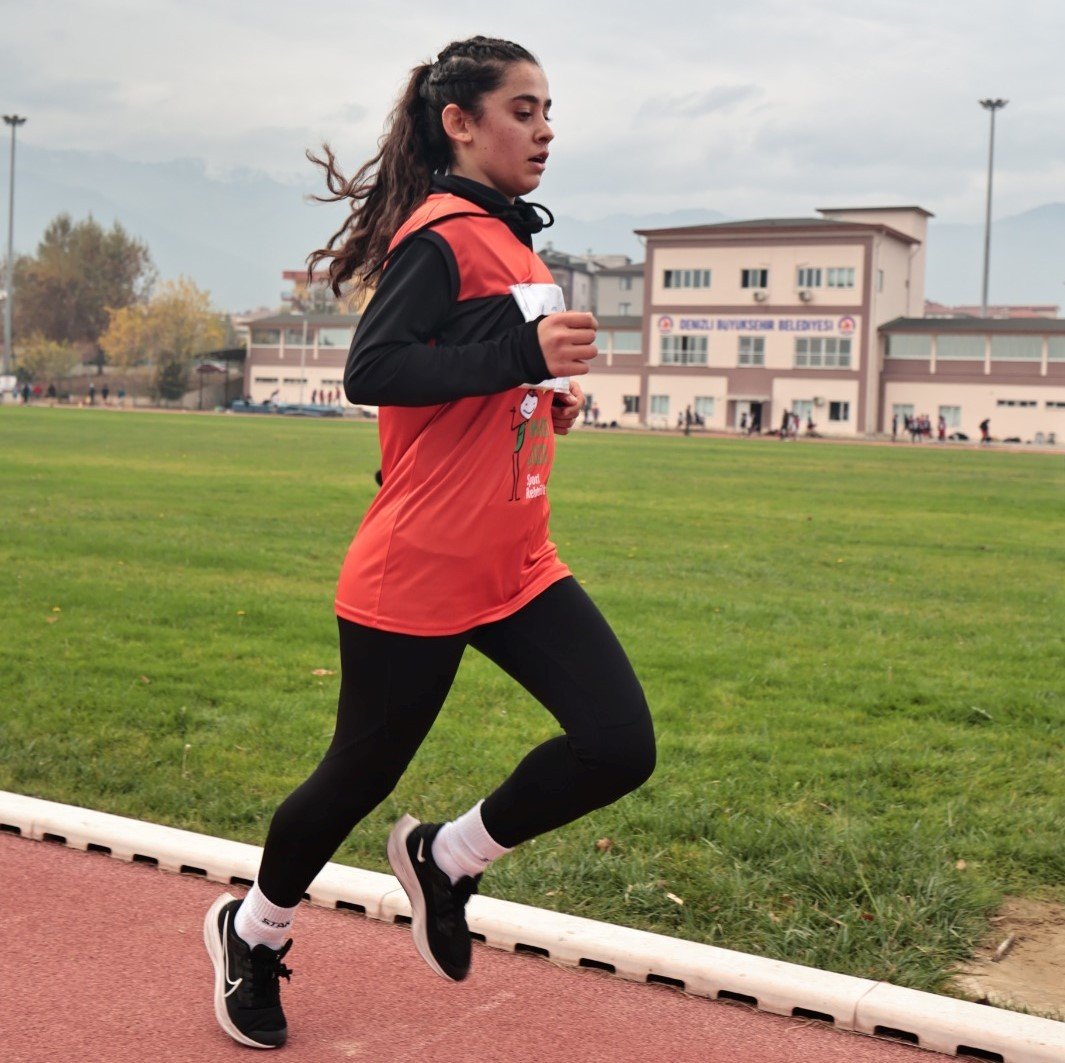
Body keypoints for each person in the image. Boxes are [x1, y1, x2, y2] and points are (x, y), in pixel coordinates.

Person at [203, 36, 655, 1051]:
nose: (545, 130)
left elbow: (481, 378)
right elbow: (377, 367)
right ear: (460, 122)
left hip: (516, 562)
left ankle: (449, 859)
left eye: (549, 112)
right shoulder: (442, 234)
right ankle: (254, 928)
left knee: (619, 744)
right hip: (416, 570)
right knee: (352, 778)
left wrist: (543, 397)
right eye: (524, 110)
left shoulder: (515, 243)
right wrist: (520, 352)